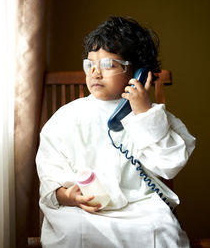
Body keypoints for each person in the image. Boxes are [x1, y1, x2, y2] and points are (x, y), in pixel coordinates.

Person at [36, 16, 196, 248]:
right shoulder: (66, 118)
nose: (95, 73)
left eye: (109, 64)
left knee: (162, 230)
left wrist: (143, 114)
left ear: (139, 73)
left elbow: (169, 164)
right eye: (89, 64)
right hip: (84, 208)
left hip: (139, 205)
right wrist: (68, 196)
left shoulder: (151, 116)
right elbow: (50, 171)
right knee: (73, 233)